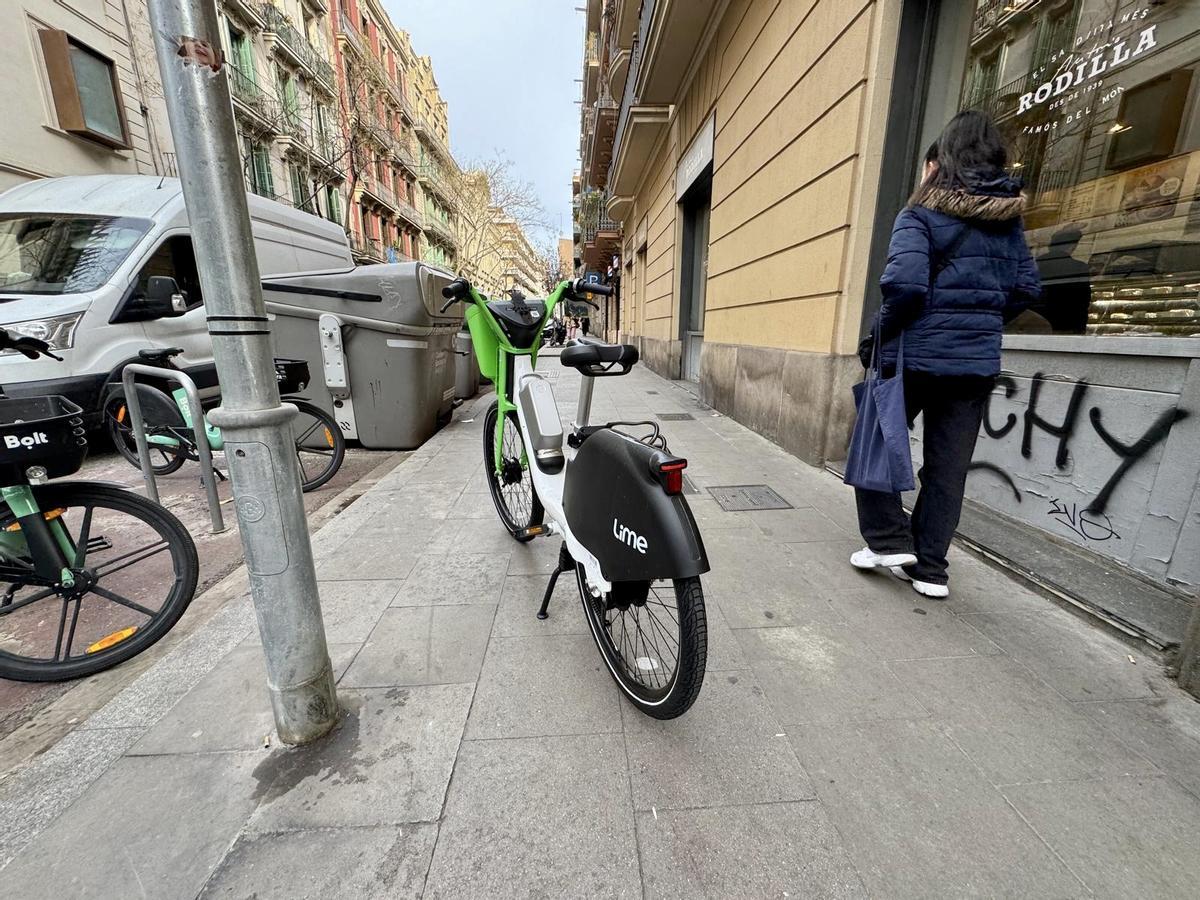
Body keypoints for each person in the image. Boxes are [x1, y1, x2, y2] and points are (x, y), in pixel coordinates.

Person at [850, 110, 1041, 599]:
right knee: (947, 468)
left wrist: (878, 335)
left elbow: (904, 286)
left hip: (914, 356)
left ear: (942, 160)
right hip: (974, 365)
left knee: (872, 435)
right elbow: (1024, 289)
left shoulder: (919, 214)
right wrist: (978, 322)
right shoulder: (1009, 224)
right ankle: (931, 570)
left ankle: (890, 540)